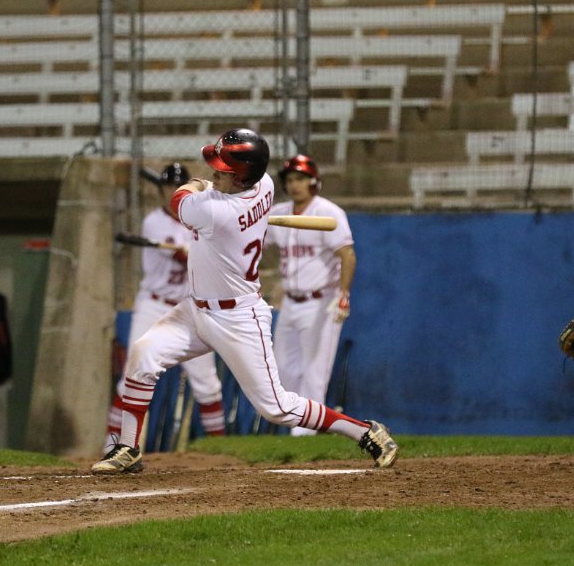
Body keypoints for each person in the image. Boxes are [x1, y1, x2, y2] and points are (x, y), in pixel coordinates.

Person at [92, 128, 398, 474]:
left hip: (238, 317)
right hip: (196, 309)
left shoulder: (215, 212)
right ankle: (128, 448)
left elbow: (179, 200)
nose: (213, 173)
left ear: (242, 178)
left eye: (223, 170)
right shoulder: (264, 184)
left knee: (277, 407)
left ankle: (364, 431)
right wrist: (211, 187)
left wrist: (195, 185)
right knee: (144, 353)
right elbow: (214, 194)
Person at [104, 162, 226, 451]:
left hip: (191, 309)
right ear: (160, 191)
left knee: (207, 384)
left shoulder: (200, 219)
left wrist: (198, 249)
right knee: (132, 375)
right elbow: (184, 260)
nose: (172, 191)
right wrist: (188, 252)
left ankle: (221, 451)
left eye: (177, 186)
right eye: (167, 187)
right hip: (154, 306)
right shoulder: (153, 223)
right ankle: (112, 447)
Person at [266, 155, 356, 436]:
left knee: (315, 370)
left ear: (313, 181)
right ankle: (296, 427)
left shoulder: (328, 211)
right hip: (290, 302)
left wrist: (343, 295)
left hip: (321, 301)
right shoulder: (280, 213)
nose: (295, 185)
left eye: (300, 179)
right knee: (283, 368)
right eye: (290, 180)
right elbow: (255, 241)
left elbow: (347, 254)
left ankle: (306, 433)